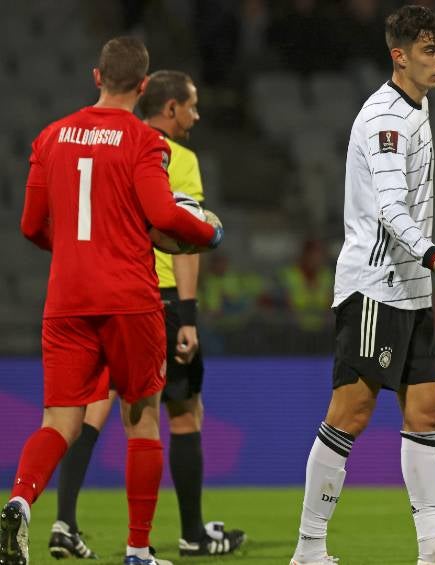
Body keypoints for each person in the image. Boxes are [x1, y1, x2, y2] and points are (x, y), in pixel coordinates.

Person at [1, 36, 221, 565]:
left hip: (67, 300)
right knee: (141, 418)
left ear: (96, 77)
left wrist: (81, 252)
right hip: (129, 298)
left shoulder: (50, 136)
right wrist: (209, 235)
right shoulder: (145, 141)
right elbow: (164, 217)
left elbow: (32, 225)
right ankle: (138, 550)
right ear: (143, 86)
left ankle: (19, 500)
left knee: (59, 422)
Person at [289, 6, 435, 565]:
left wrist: (426, 267)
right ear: (398, 56)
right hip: (377, 283)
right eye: (428, 49)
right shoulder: (387, 120)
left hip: (410, 286)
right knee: (349, 411)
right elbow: (390, 207)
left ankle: (434, 550)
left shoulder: (415, 108)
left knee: (427, 411)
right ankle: (308, 549)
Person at [47, 70, 246, 560]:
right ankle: (191, 534)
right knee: (181, 413)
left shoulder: (107, 146)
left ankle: (63, 523)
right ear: (171, 108)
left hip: (101, 294)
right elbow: (184, 240)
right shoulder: (174, 157)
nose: (196, 116)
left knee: (90, 409)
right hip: (155, 298)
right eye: (192, 106)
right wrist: (189, 314)